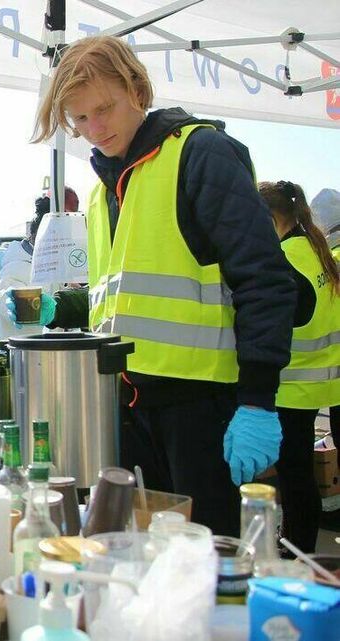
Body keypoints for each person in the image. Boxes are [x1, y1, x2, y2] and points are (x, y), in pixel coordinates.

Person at [26, 36, 295, 536]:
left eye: (103, 109)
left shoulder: (200, 154)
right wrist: (62, 308)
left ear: (137, 89)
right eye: (80, 120)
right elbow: (122, 296)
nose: (94, 129)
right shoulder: (102, 189)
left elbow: (265, 279)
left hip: (201, 415)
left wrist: (258, 400)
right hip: (128, 411)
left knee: (209, 566)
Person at [259, 180, 339, 553]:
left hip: (294, 387)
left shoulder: (284, 261)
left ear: (272, 218)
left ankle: (296, 552)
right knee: (301, 476)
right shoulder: (317, 249)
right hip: (327, 381)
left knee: (295, 480)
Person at [0, 189, 78, 339]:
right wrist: (13, 302)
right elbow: (3, 297)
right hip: (21, 354)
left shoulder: (52, 266)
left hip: (48, 351)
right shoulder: (16, 265)